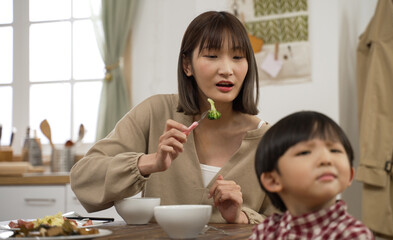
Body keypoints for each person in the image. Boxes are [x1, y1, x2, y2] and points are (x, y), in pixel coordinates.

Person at [70, 11, 277, 224]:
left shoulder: (269, 141)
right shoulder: (155, 112)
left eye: (237, 57)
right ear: (187, 65)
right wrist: (148, 163)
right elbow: (82, 178)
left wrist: (241, 217)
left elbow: (289, 225)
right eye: (212, 56)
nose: (227, 70)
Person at [250, 111, 374, 239]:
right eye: (305, 152)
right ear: (273, 180)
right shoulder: (266, 231)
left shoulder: (353, 234)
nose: (326, 159)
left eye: (335, 150)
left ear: (350, 175)